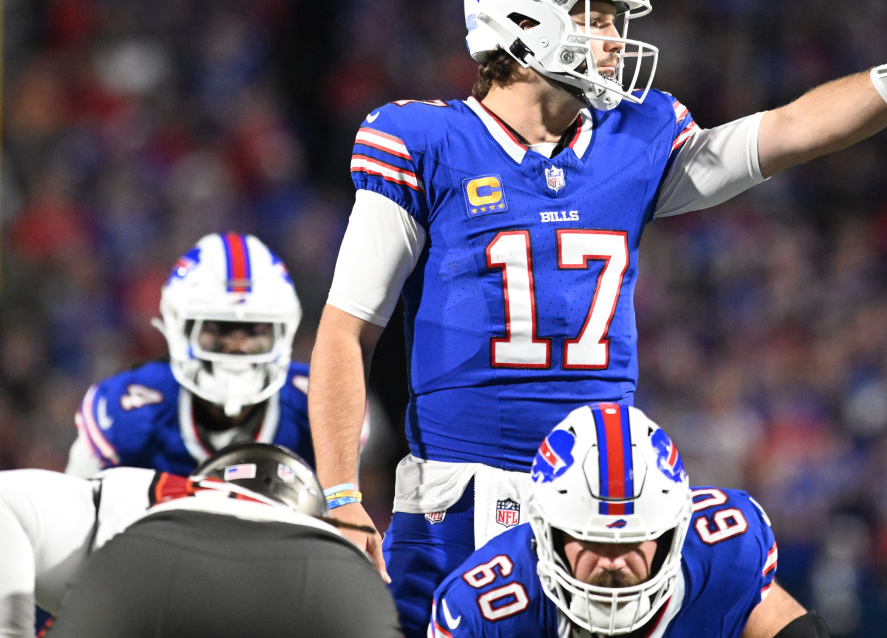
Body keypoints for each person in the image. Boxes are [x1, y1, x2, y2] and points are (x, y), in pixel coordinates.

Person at [306, 0, 887, 633]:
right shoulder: (424, 140)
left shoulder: (635, 137)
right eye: (594, 16)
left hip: (609, 504)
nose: (612, 39)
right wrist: (341, 494)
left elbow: (795, 128)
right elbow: (347, 329)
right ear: (523, 18)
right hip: (460, 499)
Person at [427, 402, 828, 637]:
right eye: (592, 541)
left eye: (632, 541)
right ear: (546, 532)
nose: (612, 561)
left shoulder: (723, 553)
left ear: (674, 532)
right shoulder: (486, 609)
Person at [0, 443, 403, 637]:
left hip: (146, 560)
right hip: (335, 582)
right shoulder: (323, 537)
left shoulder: (141, 491)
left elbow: (7, 504)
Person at [65, 232, 322, 477]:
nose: (237, 346)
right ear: (180, 328)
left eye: (254, 330)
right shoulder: (127, 414)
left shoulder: (319, 407)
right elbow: (79, 514)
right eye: (217, 329)